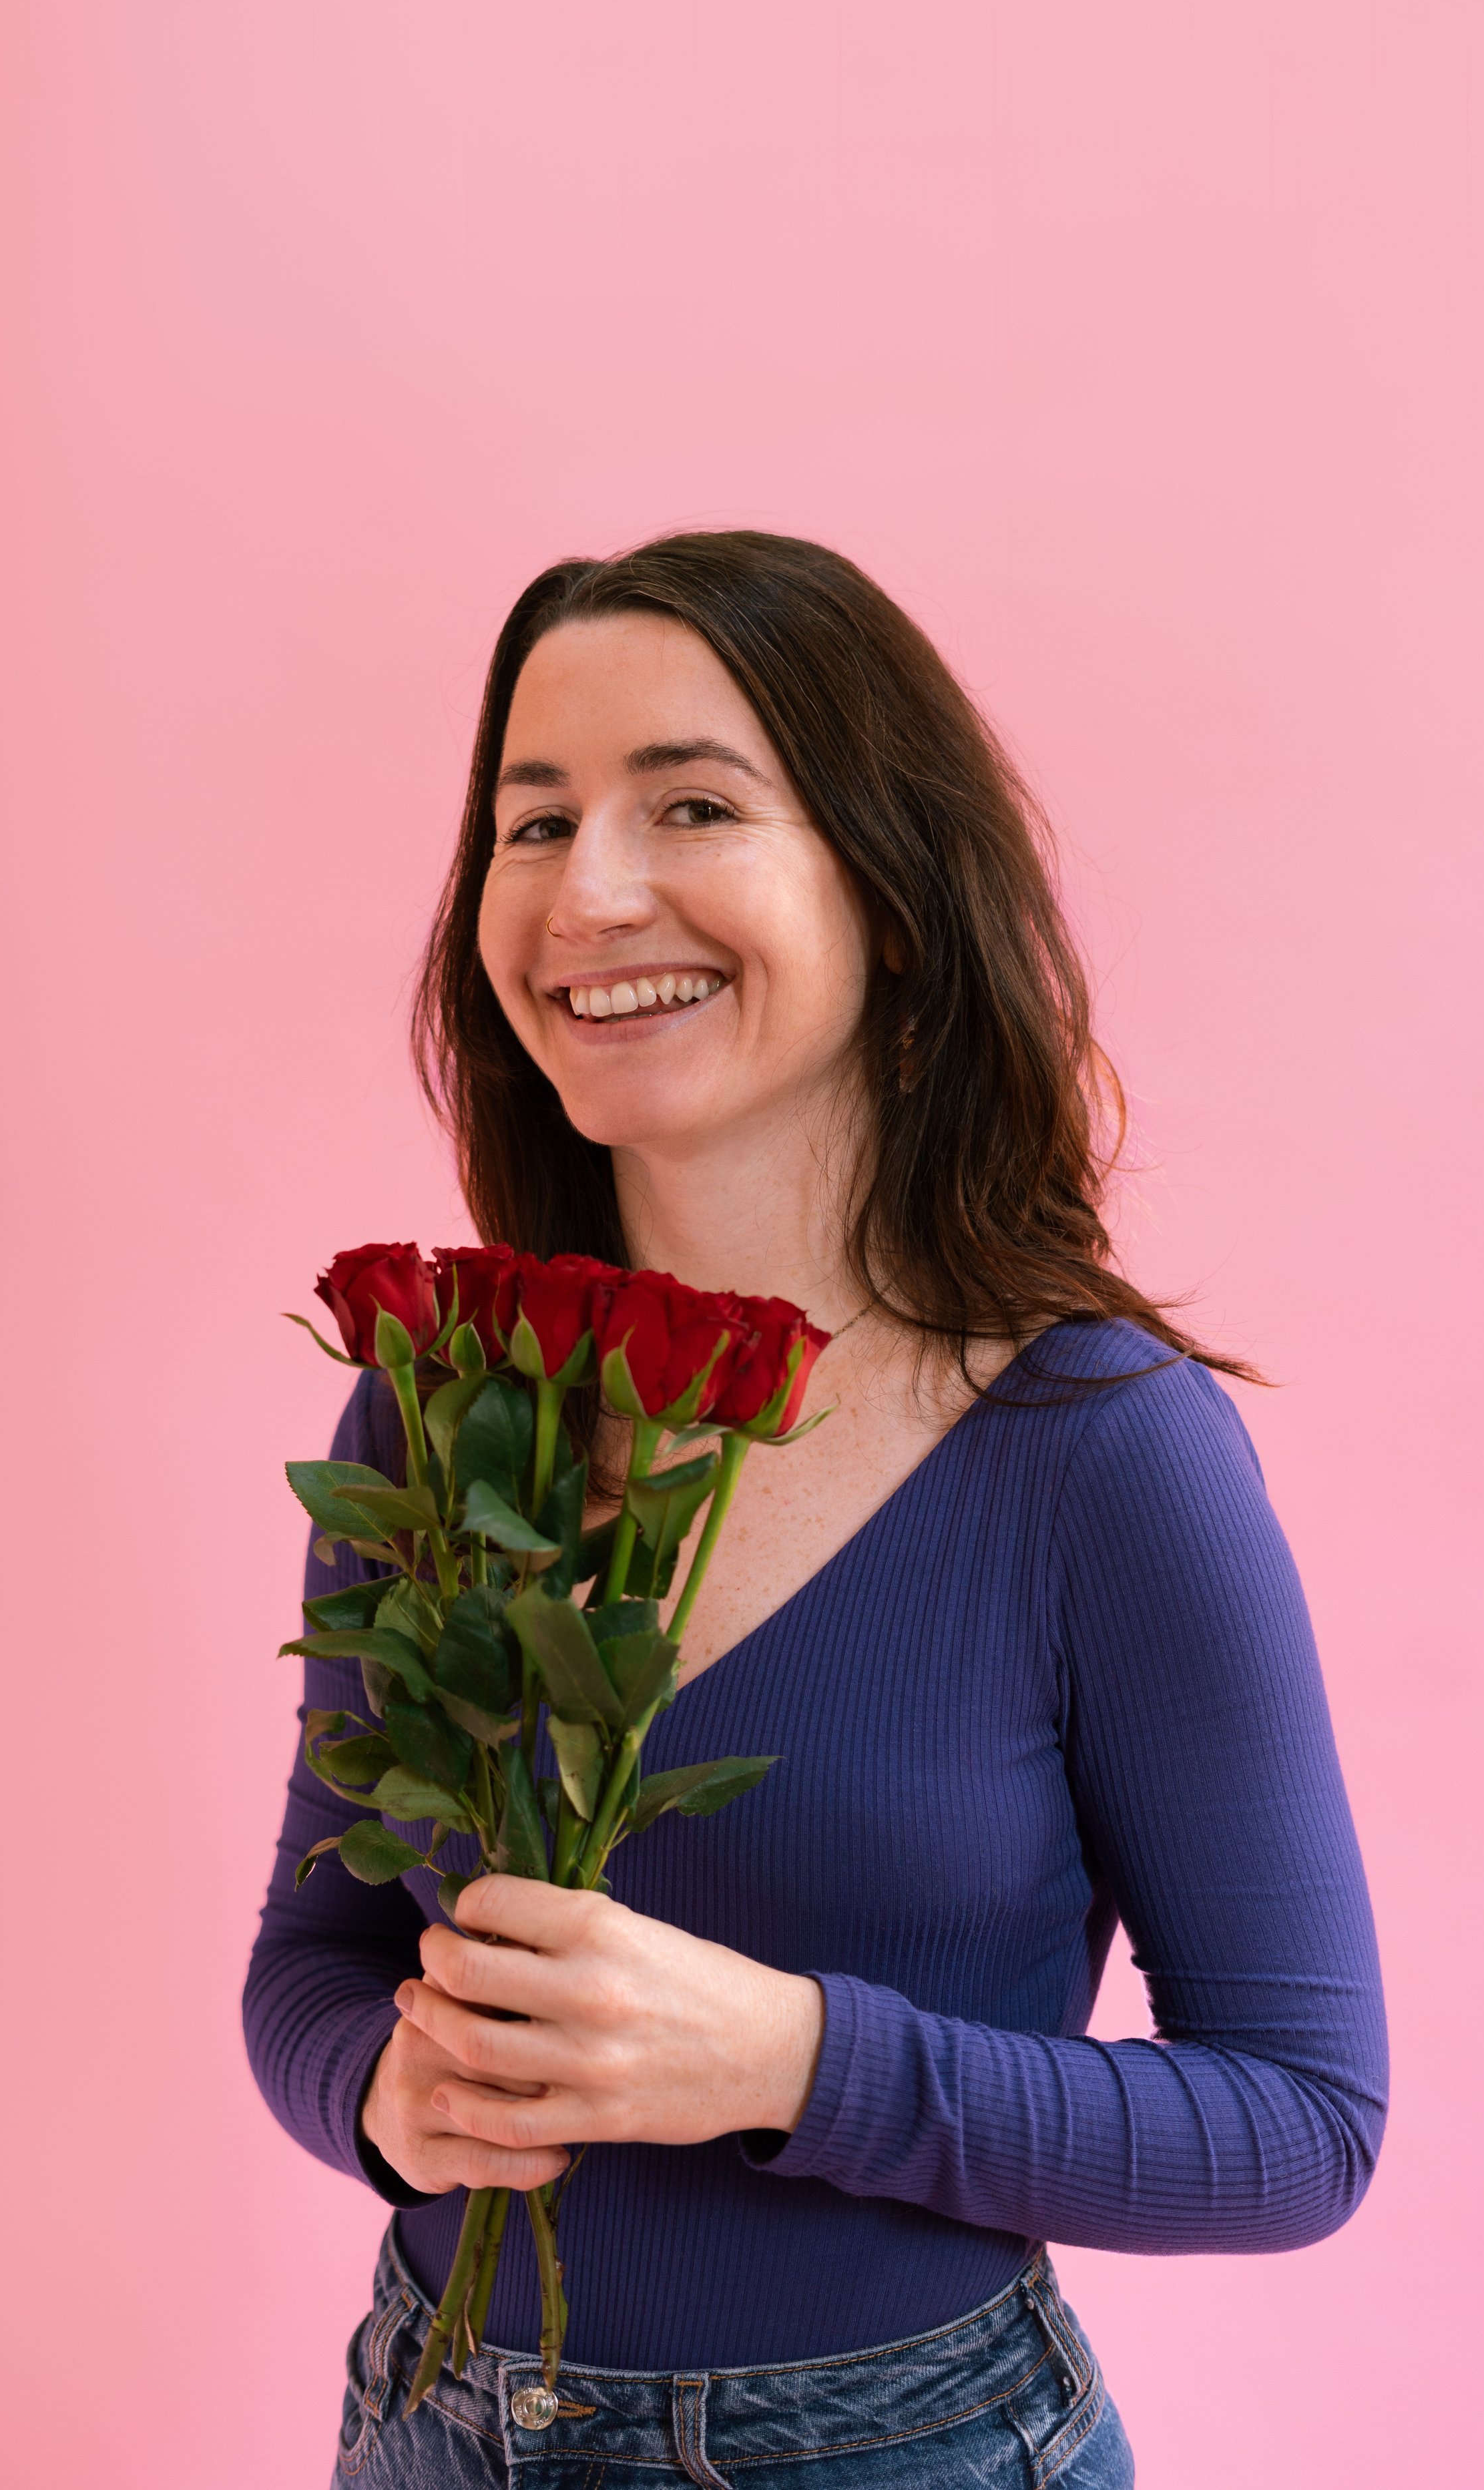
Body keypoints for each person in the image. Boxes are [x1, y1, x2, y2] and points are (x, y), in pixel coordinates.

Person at [245, 531, 1387, 2488]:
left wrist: (785, 2061)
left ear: (893, 893)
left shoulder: (1099, 1446)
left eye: (693, 804)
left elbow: (1299, 2128)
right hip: (431, 2429)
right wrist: (385, 2095)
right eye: (534, 823)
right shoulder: (441, 1402)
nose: (588, 895)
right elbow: (314, 1962)